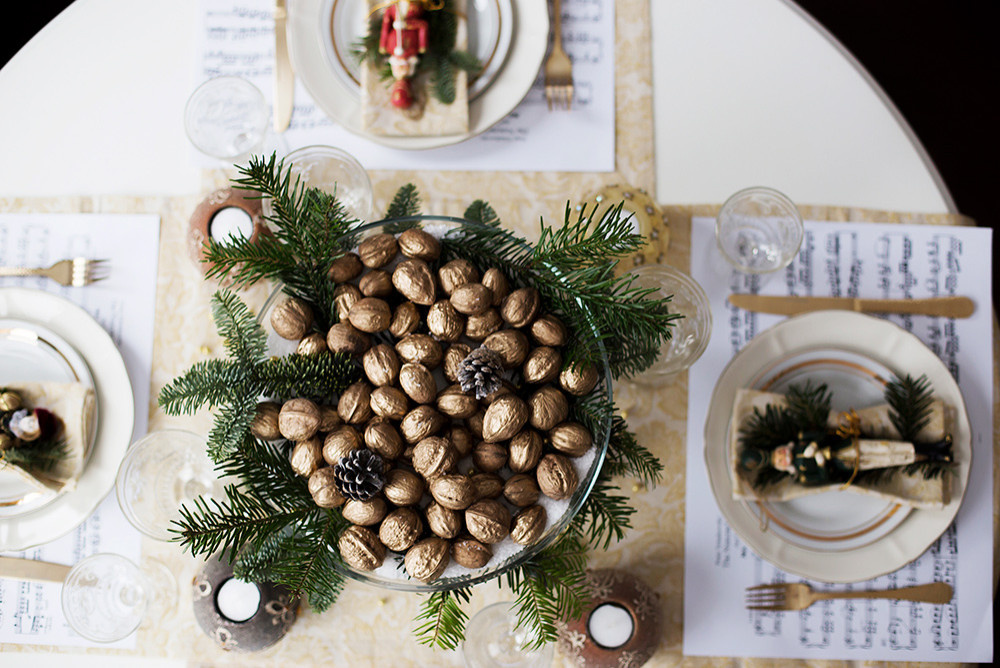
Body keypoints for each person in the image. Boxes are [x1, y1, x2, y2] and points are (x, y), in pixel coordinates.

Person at [378, 1, 430, 108]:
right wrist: (382, 44)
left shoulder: (415, 7)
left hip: (405, 42)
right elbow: (386, 25)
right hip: (402, 44)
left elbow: (423, 25)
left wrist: (407, 25)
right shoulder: (393, 7)